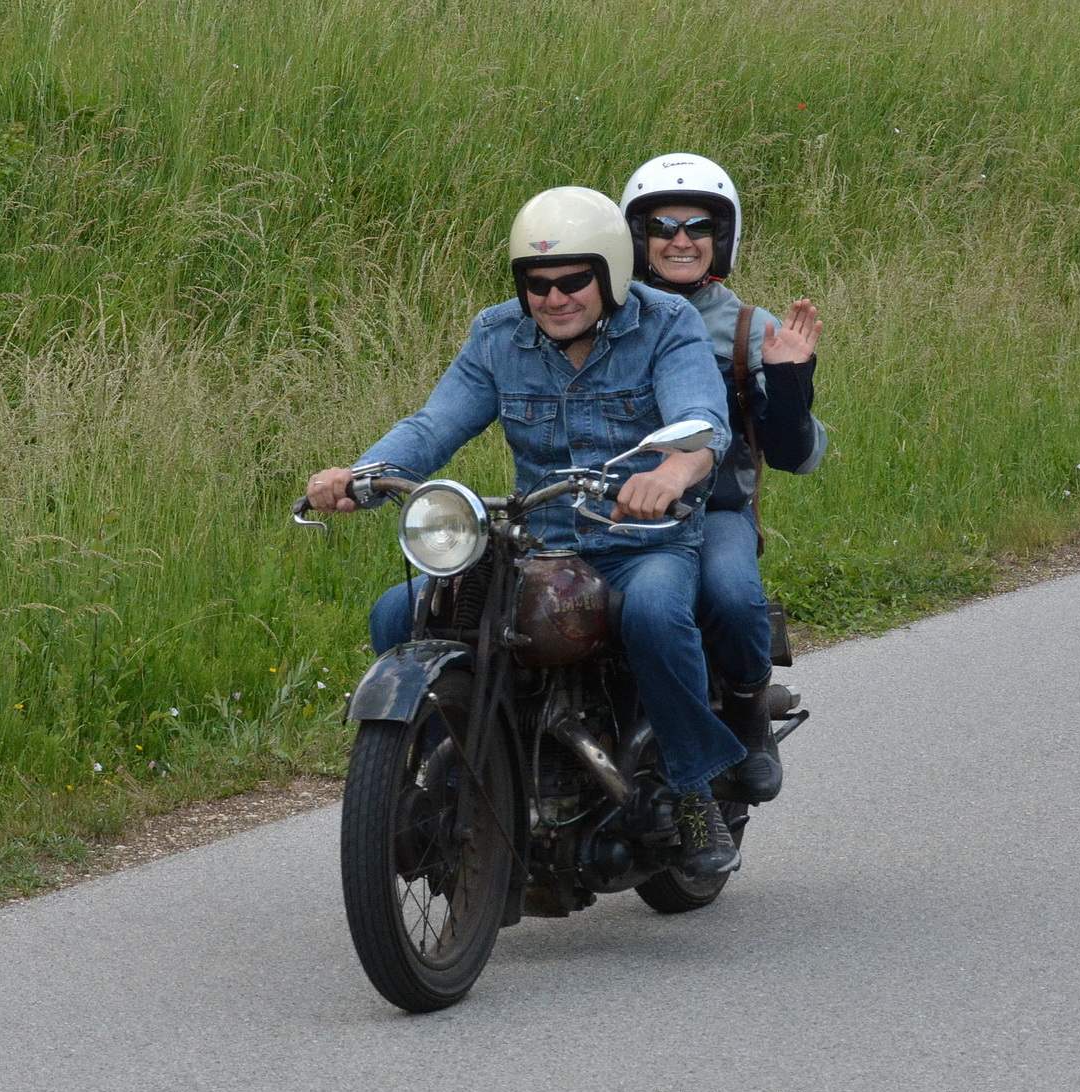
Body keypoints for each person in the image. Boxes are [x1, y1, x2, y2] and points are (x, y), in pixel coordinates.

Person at [306, 186, 746, 878]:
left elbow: (700, 418)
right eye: (537, 284)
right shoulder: (496, 335)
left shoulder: (667, 325)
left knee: (659, 613)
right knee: (399, 610)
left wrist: (674, 469)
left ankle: (693, 790)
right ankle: (430, 778)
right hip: (533, 542)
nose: (554, 297)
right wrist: (361, 474)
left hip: (641, 542)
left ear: (610, 274)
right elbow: (435, 424)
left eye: (574, 281)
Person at [619, 153, 827, 805]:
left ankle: (745, 717)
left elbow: (797, 454)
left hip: (716, 511)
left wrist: (791, 381)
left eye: (699, 224)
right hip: (611, 510)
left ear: (722, 237)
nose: (681, 238)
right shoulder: (603, 320)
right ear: (636, 239)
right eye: (663, 225)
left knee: (733, 596)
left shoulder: (749, 328)